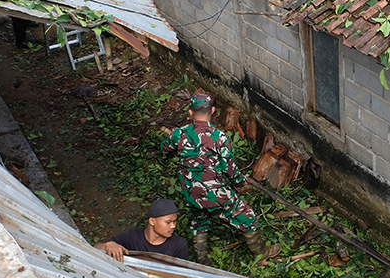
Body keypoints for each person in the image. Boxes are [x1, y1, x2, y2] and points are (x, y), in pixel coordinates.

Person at [161, 93, 279, 264]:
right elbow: (229, 169)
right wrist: (240, 182)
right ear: (213, 111)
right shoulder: (219, 137)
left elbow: (165, 149)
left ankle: (201, 259)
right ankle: (261, 254)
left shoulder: (179, 133)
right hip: (214, 193)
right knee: (247, 216)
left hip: (189, 192)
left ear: (190, 112)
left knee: (200, 219)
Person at [94, 198, 188, 261]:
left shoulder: (179, 245)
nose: (173, 226)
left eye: (174, 222)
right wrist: (108, 245)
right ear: (152, 221)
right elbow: (95, 249)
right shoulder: (132, 236)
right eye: (168, 222)